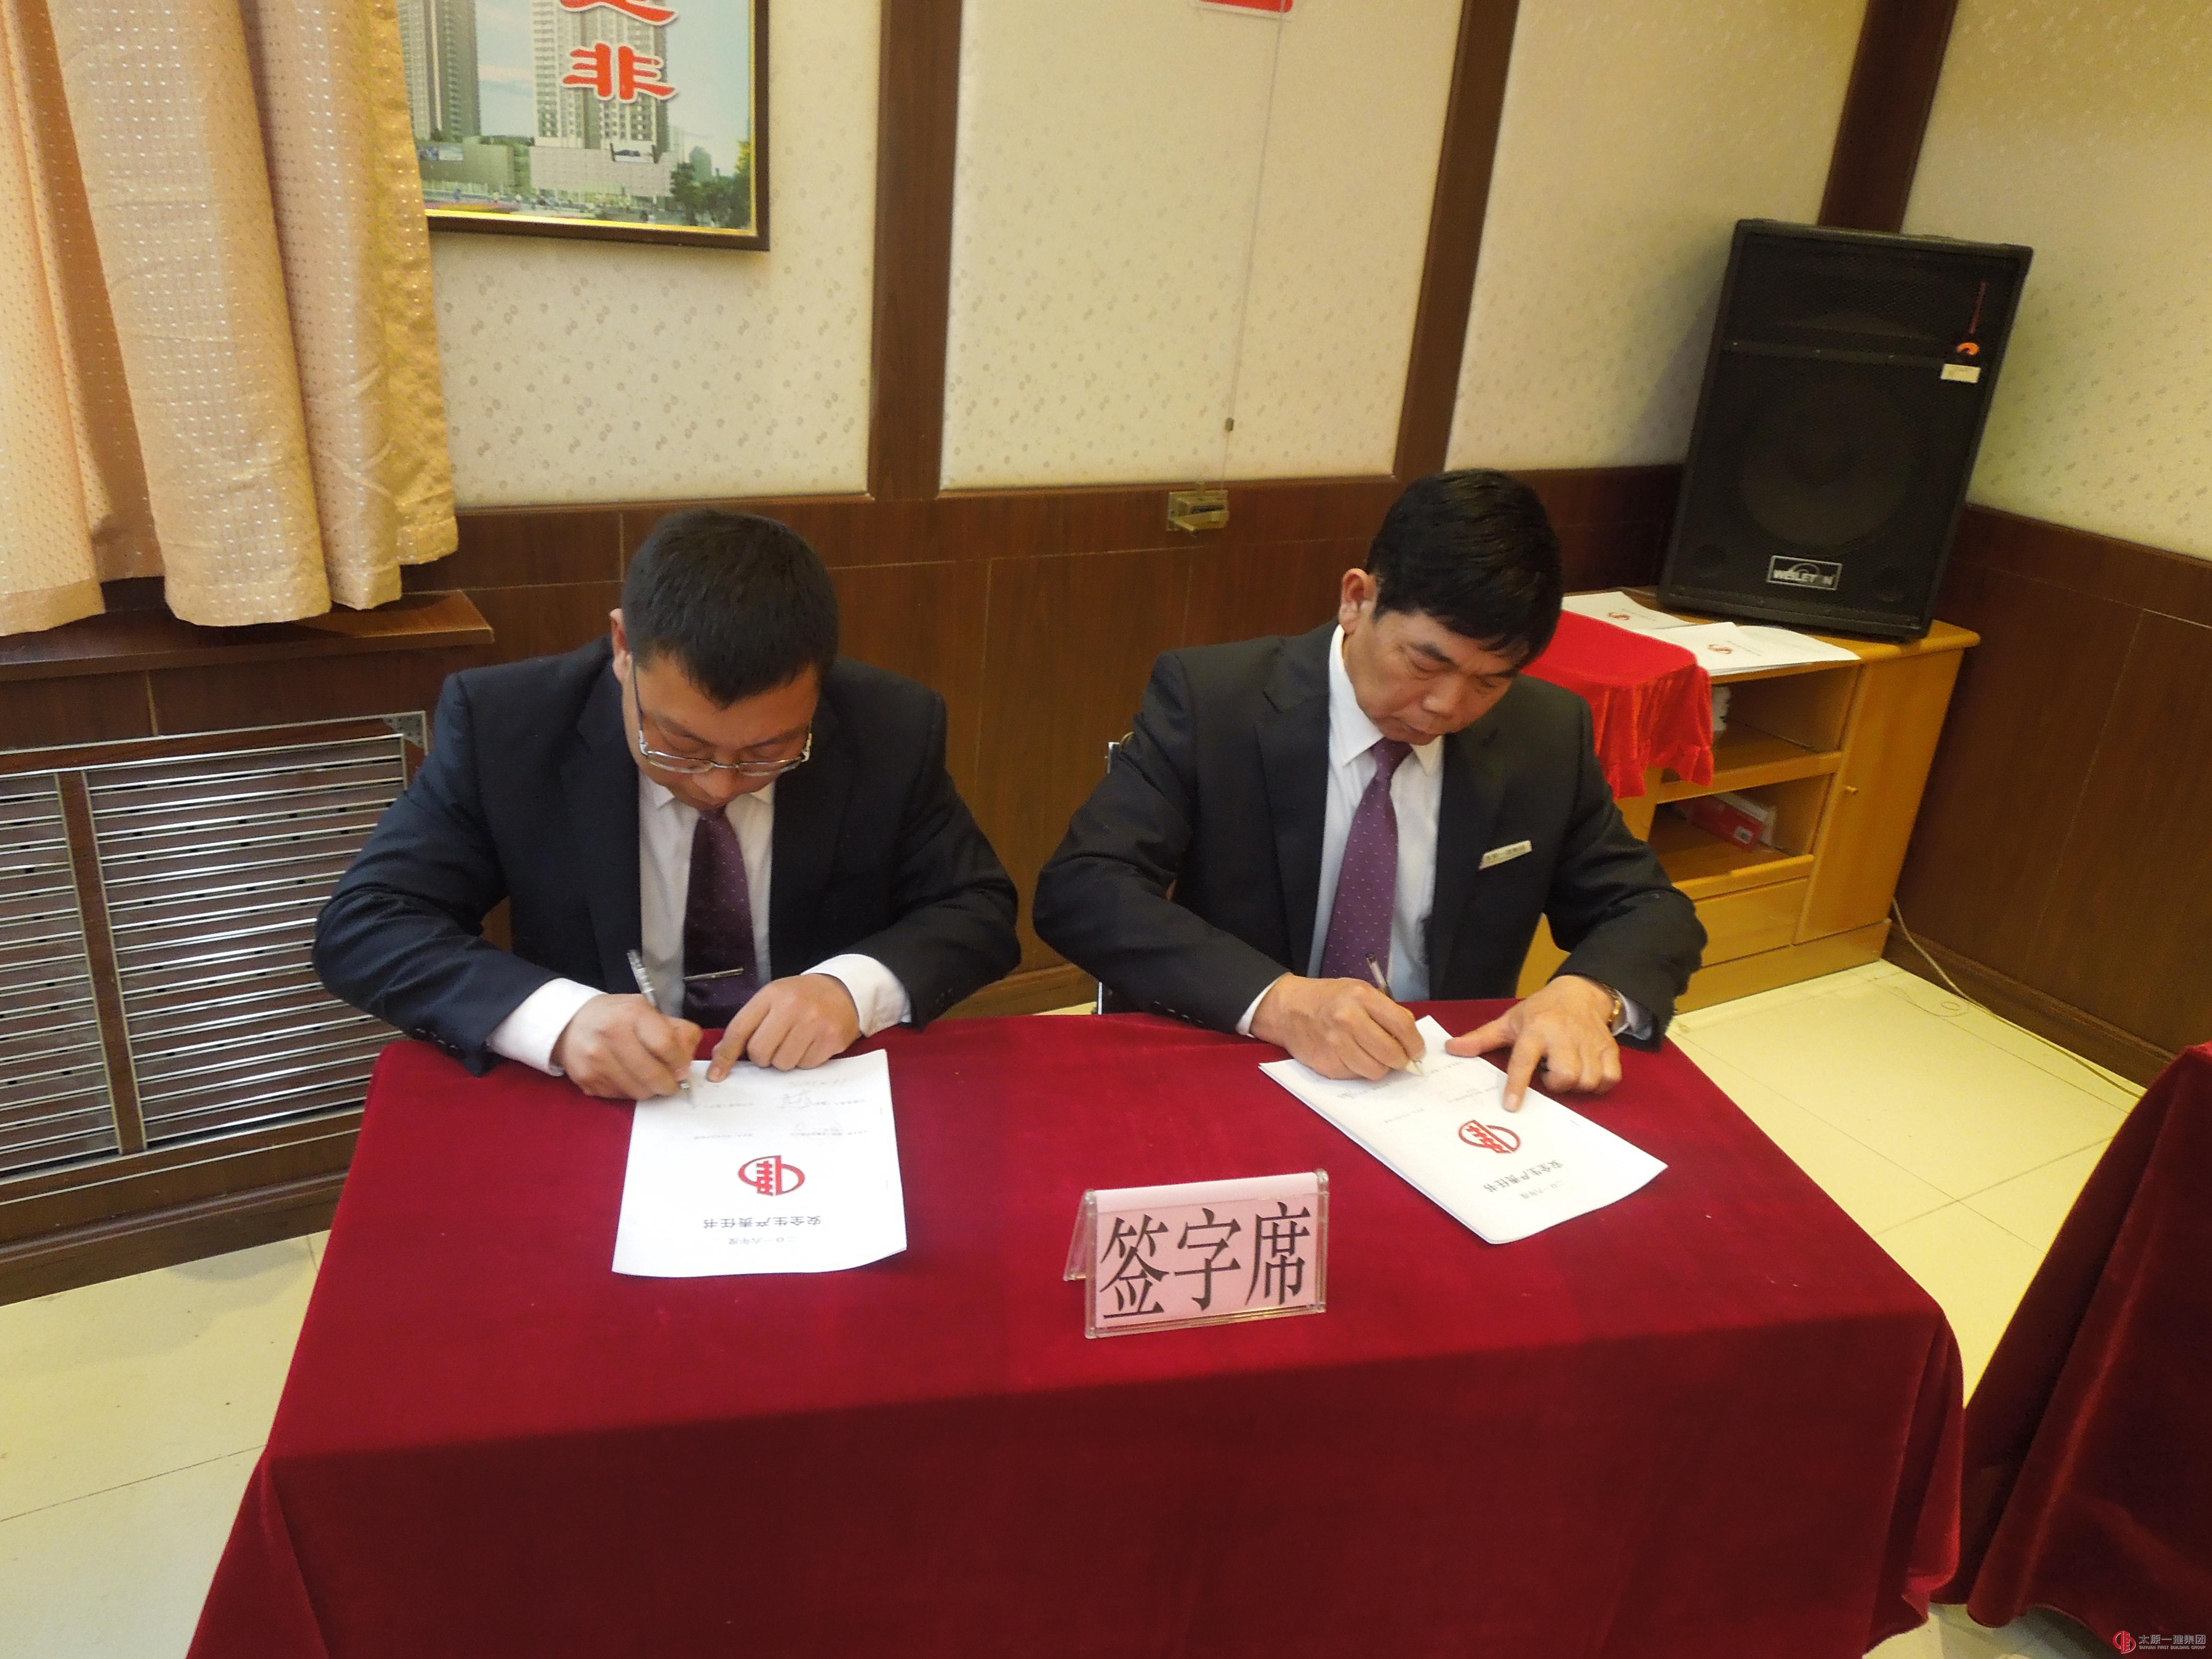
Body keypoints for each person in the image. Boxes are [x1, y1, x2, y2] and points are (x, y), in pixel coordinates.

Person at [1033, 469, 1704, 1109]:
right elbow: (1085, 887)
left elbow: (1647, 908)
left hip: (1437, 1083)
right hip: (1243, 1057)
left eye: (1489, 682)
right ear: (1357, 599)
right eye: (1425, 662)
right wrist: (1278, 1002)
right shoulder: (1216, 701)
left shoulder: (1546, 733)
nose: (1445, 707)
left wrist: (1591, 994)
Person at [316, 509, 1020, 1100]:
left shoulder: (890, 725)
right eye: (681, 745)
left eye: (769, 751)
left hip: (815, 1088)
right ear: (624, 648)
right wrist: (561, 1019)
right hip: (601, 1095)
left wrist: (850, 989)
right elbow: (368, 924)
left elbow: (976, 908)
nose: (719, 784)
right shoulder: (508, 725)